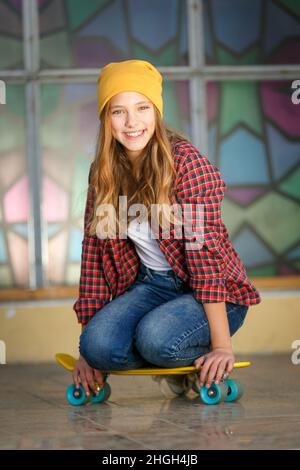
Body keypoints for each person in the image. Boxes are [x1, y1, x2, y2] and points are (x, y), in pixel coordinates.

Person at [72, 59, 261, 399]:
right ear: (106, 118)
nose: (132, 122)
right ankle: (171, 350)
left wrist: (222, 347)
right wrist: (90, 355)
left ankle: (183, 354)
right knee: (98, 344)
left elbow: (204, 258)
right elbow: (93, 260)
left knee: (155, 339)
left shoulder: (187, 164)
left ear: (156, 111)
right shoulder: (103, 173)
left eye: (142, 107)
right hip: (152, 286)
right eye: (119, 111)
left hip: (214, 290)